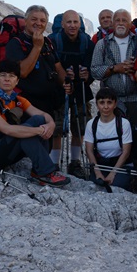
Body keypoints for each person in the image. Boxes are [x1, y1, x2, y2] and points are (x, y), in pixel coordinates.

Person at [0, 60, 70, 187]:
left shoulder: (18, 100)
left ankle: (39, 170)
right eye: (3, 75)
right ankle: (46, 172)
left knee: (39, 120)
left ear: (17, 81)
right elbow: (7, 129)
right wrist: (39, 131)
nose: (7, 79)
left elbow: (43, 115)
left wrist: (51, 124)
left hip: (4, 146)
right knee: (24, 133)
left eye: (12, 76)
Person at [90, 9, 137, 166]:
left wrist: (134, 69)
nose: (121, 23)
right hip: (112, 100)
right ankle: (117, 170)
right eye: (118, 20)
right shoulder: (102, 44)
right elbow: (94, 70)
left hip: (136, 98)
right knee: (115, 136)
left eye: (124, 20)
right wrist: (115, 68)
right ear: (112, 23)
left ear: (130, 24)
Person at [50, 10, 95, 177]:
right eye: (69, 22)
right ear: (62, 24)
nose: (72, 25)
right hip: (58, 90)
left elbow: (91, 68)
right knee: (57, 127)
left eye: (75, 22)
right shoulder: (54, 41)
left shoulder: (87, 43)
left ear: (80, 24)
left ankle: (74, 163)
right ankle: (54, 164)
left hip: (81, 89)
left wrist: (87, 75)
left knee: (80, 128)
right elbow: (49, 67)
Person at [5, 5, 67, 121]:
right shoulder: (16, 43)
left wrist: (67, 82)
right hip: (26, 105)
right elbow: (22, 72)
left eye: (43, 20)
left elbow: (57, 68)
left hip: (49, 103)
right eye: (34, 19)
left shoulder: (48, 42)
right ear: (26, 20)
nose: (38, 23)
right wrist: (37, 47)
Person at [84, 87, 133, 190]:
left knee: (116, 186)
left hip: (121, 165)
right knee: (98, 185)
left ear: (115, 104)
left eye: (109, 102)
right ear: (97, 105)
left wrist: (113, 174)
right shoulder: (91, 124)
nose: (105, 107)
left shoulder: (124, 123)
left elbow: (126, 152)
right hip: (100, 165)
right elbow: (89, 150)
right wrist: (97, 172)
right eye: (102, 103)